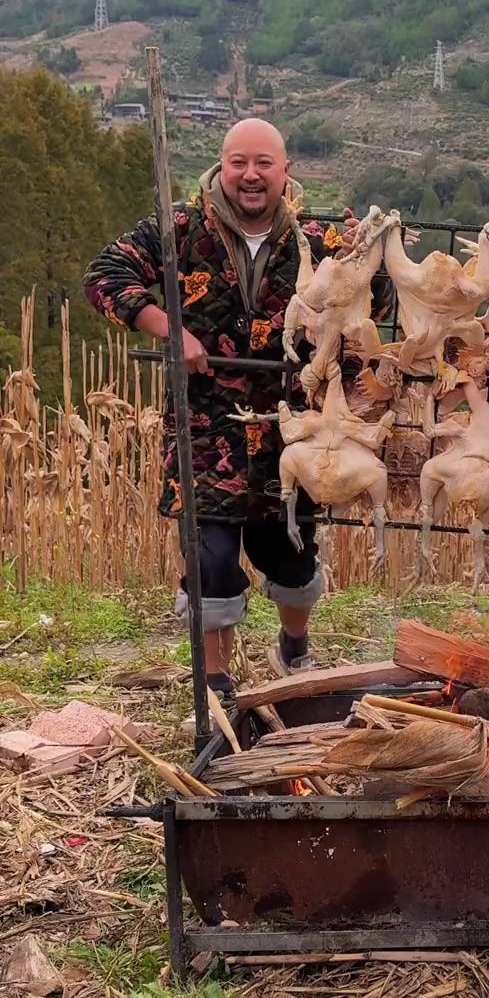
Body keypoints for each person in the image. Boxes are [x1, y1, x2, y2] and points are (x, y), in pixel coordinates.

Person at [84, 118, 365, 701]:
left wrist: (373, 256)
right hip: (205, 426)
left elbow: (376, 297)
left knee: (287, 551)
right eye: (239, 162)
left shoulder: (321, 239)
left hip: (294, 431)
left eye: (264, 162)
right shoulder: (180, 229)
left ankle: (295, 648)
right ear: (221, 167)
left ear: (286, 173)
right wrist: (168, 327)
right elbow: (104, 276)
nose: (251, 175)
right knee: (208, 555)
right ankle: (216, 683)